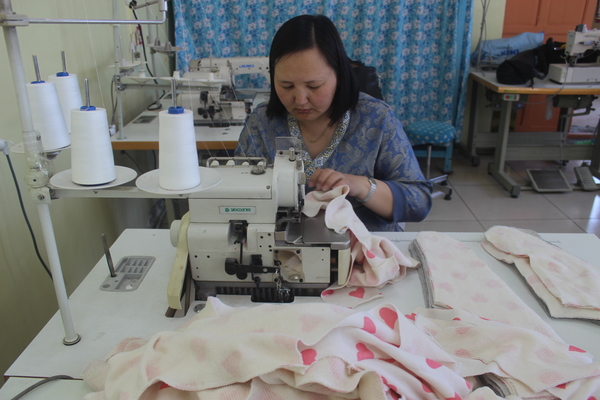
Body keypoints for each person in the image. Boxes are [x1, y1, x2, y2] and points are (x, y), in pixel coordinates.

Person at [235, 14, 432, 232]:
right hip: (279, 245)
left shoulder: (376, 119)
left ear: (339, 75)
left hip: (363, 246)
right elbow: (234, 194)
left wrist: (361, 186)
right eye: (287, 86)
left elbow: (419, 203)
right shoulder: (262, 123)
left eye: (314, 86)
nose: (300, 100)